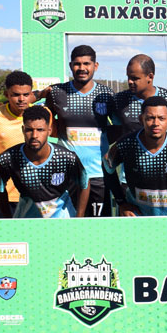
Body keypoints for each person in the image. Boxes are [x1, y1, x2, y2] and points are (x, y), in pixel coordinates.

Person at [43, 45, 115, 217]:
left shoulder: (107, 94)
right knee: (67, 226)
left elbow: (119, 127)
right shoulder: (57, 93)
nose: (82, 68)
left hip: (98, 175)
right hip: (68, 175)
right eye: (77, 64)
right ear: (70, 66)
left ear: (95, 66)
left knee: (99, 227)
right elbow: (45, 125)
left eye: (86, 64)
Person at [103, 97, 167, 216]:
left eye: (161, 118)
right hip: (135, 214)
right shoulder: (126, 143)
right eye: (150, 118)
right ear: (141, 119)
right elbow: (107, 166)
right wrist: (121, 203)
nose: (156, 123)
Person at [0, 105, 89, 218]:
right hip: (26, 220)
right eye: (29, 130)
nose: (35, 135)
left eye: (40, 130)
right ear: (23, 130)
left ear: (49, 130)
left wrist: (79, 216)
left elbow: (84, 183)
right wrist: (7, 217)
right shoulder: (8, 158)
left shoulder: (66, 157)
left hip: (62, 220)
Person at [0, 71, 34, 218]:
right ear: (6, 94)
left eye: (26, 94)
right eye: (16, 95)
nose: (21, 99)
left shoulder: (42, 114)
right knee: (0, 233)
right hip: (1, 193)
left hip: (34, 193)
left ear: (31, 94)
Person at [110, 54, 167, 138]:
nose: (130, 81)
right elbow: (116, 131)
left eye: (135, 78)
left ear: (150, 77)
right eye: (128, 77)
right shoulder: (119, 100)